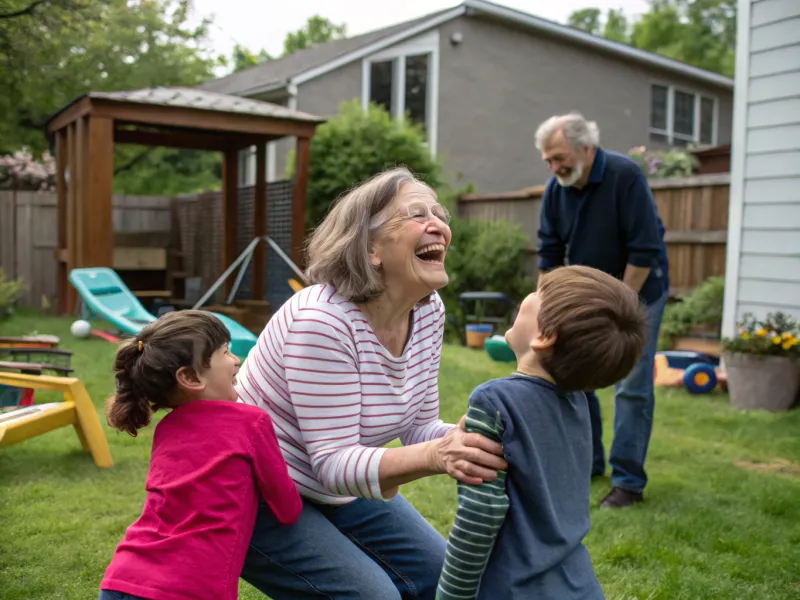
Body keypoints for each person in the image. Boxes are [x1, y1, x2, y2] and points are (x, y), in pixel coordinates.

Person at [234, 166, 509, 600]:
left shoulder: (428, 310)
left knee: (448, 578)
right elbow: (334, 463)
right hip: (254, 492)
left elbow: (418, 425)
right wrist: (441, 455)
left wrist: (472, 440)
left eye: (439, 213)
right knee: (372, 597)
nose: (437, 223)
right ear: (370, 248)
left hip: (331, 488)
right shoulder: (323, 321)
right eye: (416, 214)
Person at [436, 265, 648, 600]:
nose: (529, 295)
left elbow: (480, 516)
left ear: (544, 336)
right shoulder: (578, 403)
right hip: (579, 585)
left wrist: (452, 594)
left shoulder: (494, 401)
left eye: (537, 295)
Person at [97, 310, 302, 600]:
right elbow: (287, 508)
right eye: (225, 352)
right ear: (191, 377)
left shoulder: (166, 428)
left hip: (122, 578)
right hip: (190, 588)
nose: (236, 360)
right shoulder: (251, 422)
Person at [534, 112, 670, 509]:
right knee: (576, 373)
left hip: (639, 290)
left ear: (586, 148)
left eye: (559, 157)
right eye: (548, 160)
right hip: (586, 294)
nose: (554, 166)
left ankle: (627, 481)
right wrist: (547, 306)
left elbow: (645, 248)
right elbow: (549, 252)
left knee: (631, 385)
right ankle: (589, 462)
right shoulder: (555, 190)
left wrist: (618, 308)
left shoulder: (624, 177)